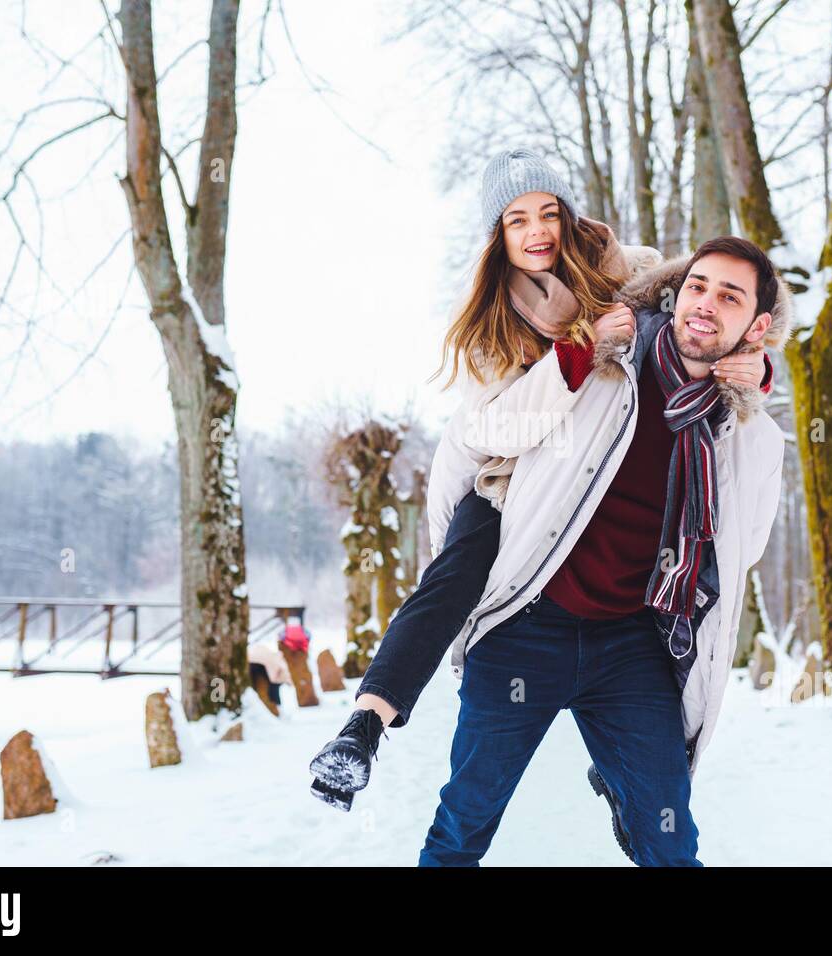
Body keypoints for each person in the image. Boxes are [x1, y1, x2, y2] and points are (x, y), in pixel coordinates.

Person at [307, 149, 775, 817]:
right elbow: (496, 432)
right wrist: (578, 354)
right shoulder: (489, 326)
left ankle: (633, 775)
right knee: (448, 582)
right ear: (497, 234)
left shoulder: (628, 273)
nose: (537, 233)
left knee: (653, 595)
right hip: (509, 483)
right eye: (518, 219)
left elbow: (706, 318)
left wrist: (756, 377)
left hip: (595, 484)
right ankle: (364, 727)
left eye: (549, 213)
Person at [417, 235, 789, 866]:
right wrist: (463, 577)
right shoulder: (603, 365)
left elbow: (740, 549)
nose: (705, 304)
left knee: (669, 839)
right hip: (526, 628)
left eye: (729, 297)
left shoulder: (751, 435)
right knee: (464, 822)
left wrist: (754, 391)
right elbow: (474, 441)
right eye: (697, 286)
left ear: (756, 326)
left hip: (633, 646)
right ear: (675, 292)